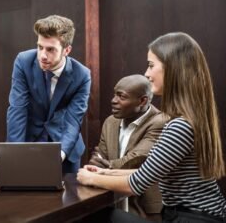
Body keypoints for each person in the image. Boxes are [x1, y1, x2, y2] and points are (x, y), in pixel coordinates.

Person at [77, 32, 226, 222]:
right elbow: (149, 171)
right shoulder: (190, 119)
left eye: (151, 65)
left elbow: (136, 184)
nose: (146, 74)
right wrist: (105, 172)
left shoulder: (179, 126)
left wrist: (89, 178)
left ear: (173, 69)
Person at [6, 15, 91, 173]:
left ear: (67, 50)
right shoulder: (23, 61)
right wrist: (14, 153)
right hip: (29, 145)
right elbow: (18, 109)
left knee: (69, 198)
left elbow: (73, 120)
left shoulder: (82, 75)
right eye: (40, 47)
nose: (43, 55)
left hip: (65, 149)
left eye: (50, 49)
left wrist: (60, 154)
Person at [89, 74, 166, 220]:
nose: (113, 101)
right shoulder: (110, 122)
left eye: (121, 97)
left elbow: (136, 159)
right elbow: (99, 155)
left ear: (142, 101)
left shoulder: (161, 122)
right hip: (110, 201)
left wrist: (101, 169)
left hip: (145, 206)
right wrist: (96, 163)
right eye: (114, 95)